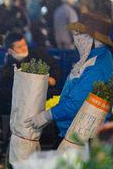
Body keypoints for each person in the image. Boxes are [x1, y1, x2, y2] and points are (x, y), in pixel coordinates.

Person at [25, 13, 113, 143]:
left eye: (80, 35)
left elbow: (77, 103)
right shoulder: (91, 57)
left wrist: (48, 115)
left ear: (94, 40)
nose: (75, 38)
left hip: (82, 135)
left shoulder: (98, 65)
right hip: (72, 130)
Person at [0, 31, 60, 119]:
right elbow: (3, 92)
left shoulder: (37, 55)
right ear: (10, 51)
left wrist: (52, 79)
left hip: (44, 99)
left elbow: (55, 68)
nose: (24, 48)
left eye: (24, 44)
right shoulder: (7, 70)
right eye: (19, 47)